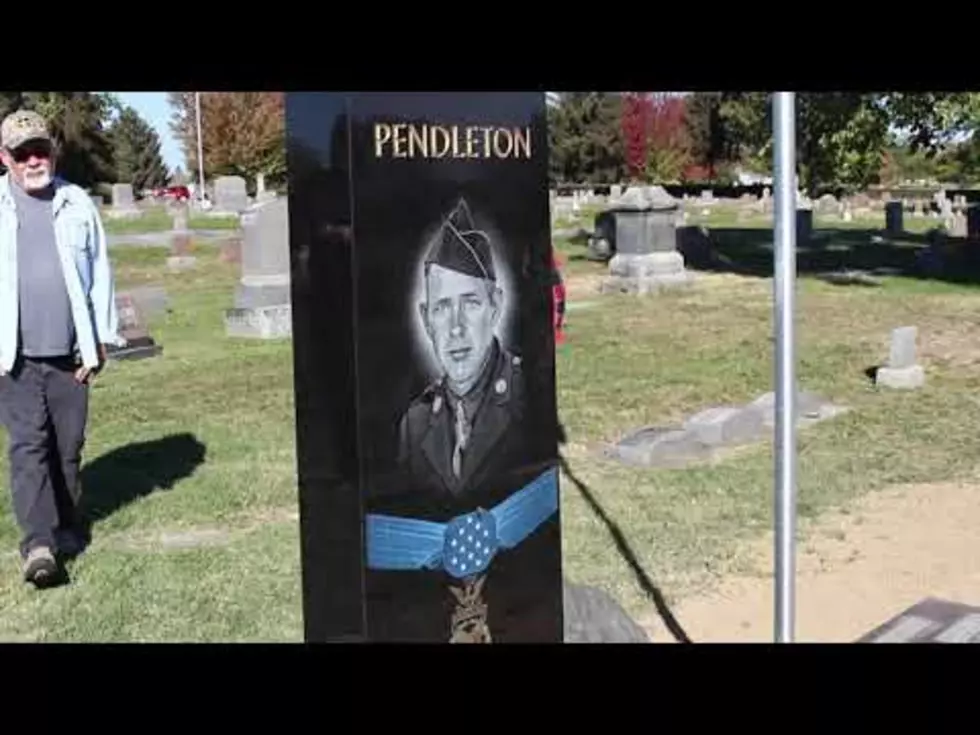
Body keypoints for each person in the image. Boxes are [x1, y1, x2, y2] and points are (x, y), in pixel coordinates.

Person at [0, 109, 122, 588]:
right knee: (28, 445)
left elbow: (100, 275)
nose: (34, 161)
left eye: (40, 150)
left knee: (67, 447)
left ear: (52, 151)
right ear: (4, 158)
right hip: (12, 355)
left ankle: (67, 525)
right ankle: (38, 546)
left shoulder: (76, 202)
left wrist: (100, 341)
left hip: (71, 354)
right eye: (23, 153)